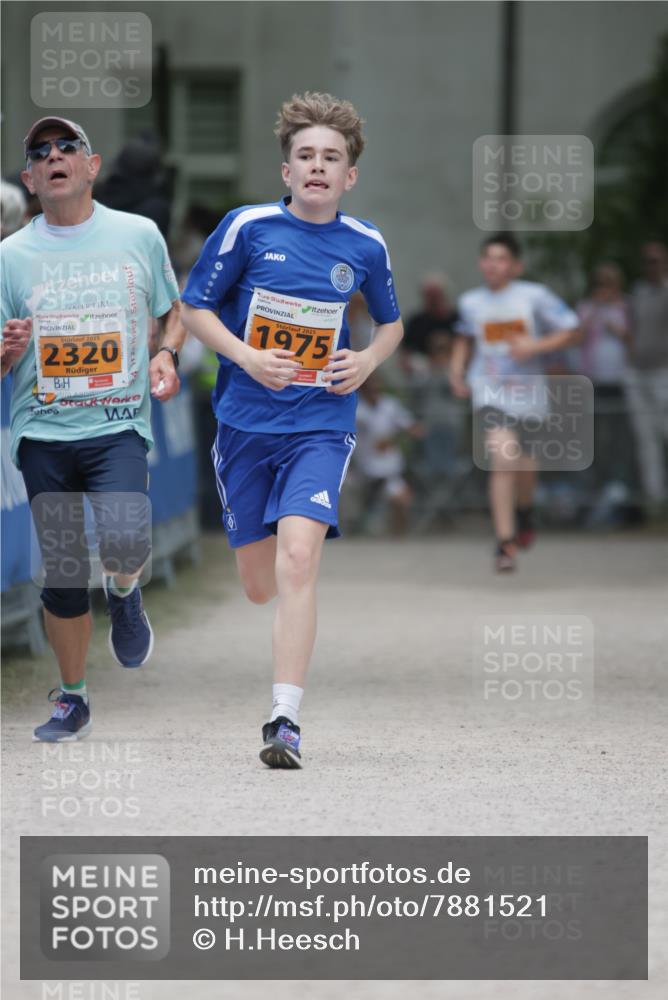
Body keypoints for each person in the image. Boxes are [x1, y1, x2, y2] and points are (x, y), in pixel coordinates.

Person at [181, 92, 403, 768]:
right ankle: (271, 581)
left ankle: (284, 718)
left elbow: (391, 323)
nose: (317, 166)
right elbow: (194, 309)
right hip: (245, 423)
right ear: (286, 171)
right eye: (305, 155)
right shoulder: (247, 228)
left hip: (321, 422)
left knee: (300, 559)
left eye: (331, 157)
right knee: (260, 582)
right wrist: (247, 355)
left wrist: (365, 359)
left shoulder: (364, 244)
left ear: (348, 176)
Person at [1, 116, 184, 741]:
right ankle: (73, 698)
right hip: (43, 430)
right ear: (29, 179)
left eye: (66, 147)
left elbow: (173, 313)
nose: (54, 156)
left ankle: (127, 593)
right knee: (62, 573)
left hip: (117, 425)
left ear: (92, 165)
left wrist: (166, 354)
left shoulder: (138, 234)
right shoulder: (10, 257)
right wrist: (5, 353)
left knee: (125, 536)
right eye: (40, 152)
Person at [450, 233, 580, 572]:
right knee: (502, 456)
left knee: (525, 467)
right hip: (489, 391)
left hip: (529, 394)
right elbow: (464, 339)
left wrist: (534, 347)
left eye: (501, 258)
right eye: (487, 258)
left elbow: (572, 329)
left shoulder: (534, 296)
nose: (492, 264)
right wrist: (456, 370)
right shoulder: (470, 302)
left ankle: (524, 511)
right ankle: (505, 542)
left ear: (516, 265)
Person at [575, 263, 636, 511]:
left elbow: (636, 339)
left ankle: (621, 487)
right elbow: (576, 336)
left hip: (621, 379)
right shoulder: (586, 308)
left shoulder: (626, 307)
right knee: (593, 436)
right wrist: (593, 313)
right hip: (592, 380)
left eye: (609, 283)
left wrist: (619, 330)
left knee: (620, 437)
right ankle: (595, 488)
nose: (605, 288)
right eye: (600, 283)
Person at [624, 241, 668, 515]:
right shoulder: (638, 292)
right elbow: (633, 327)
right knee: (646, 439)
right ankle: (655, 499)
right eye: (647, 261)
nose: (651, 265)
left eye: (655, 260)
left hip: (663, 371)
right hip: (638, 372)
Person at [354, 374, 421, 535]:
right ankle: (369, 527)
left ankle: (398, 535)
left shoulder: (390, 405)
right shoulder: (356, 409)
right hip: (365, 467)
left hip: (390, 466)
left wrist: (395, 438)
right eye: (371, 390)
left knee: (403, 497)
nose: (375, 394)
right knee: (397, 495)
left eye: (378, 390)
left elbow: (416, 429)